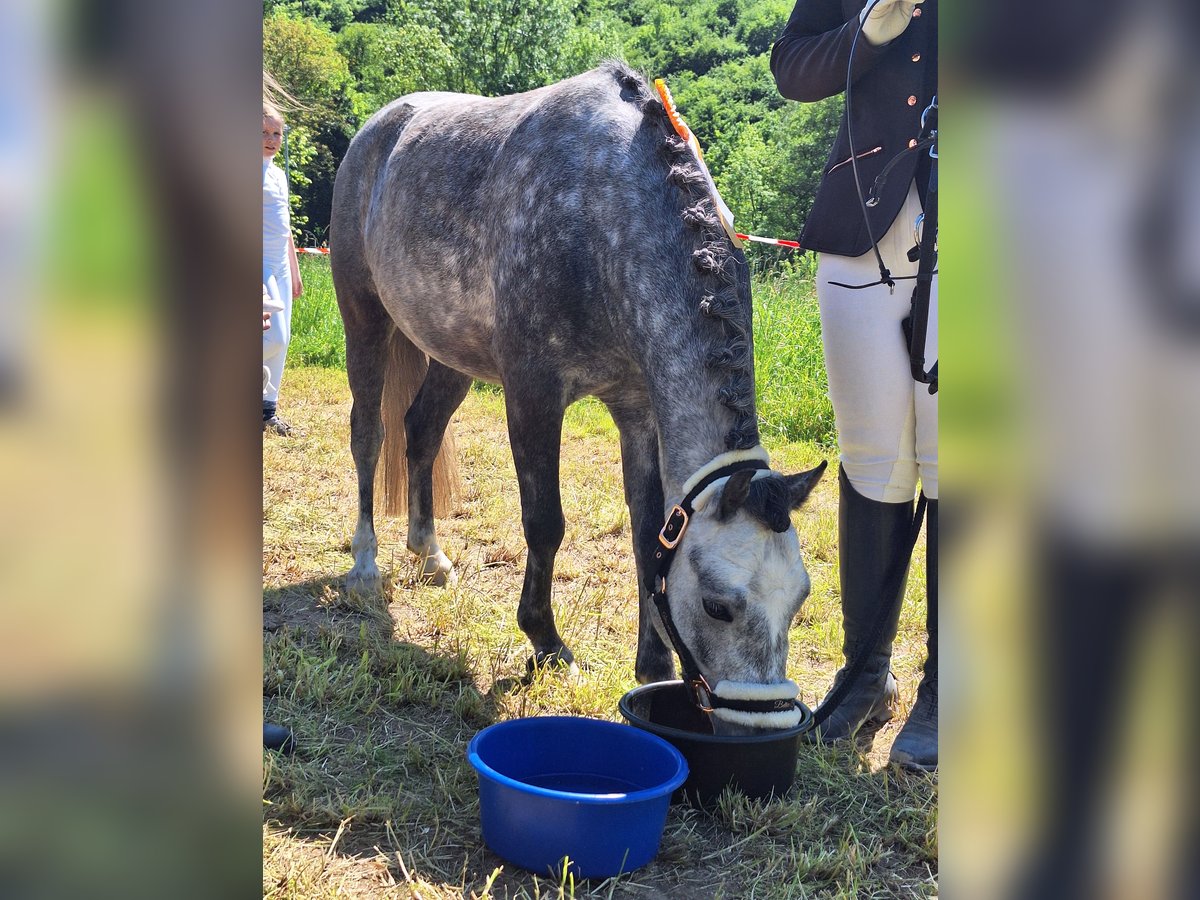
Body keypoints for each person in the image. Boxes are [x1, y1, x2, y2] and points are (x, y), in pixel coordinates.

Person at [771, 0, 937, 770]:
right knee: (873, 461)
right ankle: (865, 673)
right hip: (856, 238)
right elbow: (791, 67)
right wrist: (865, 35)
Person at [263, 100, 303, 435]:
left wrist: (295, 269)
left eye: (276, 132)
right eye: (263, 132)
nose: (271, 138)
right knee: (270, 336)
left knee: (284, 337)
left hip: (280, 265)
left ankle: (267, 410)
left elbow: (285, 227)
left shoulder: (277, 174)